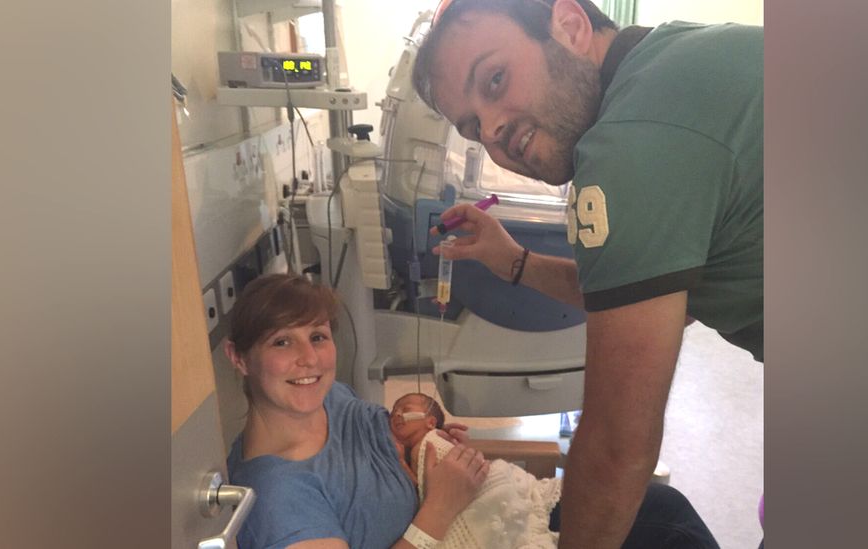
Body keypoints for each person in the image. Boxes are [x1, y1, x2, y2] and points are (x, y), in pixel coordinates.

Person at [412, 0, 763, 547]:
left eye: (496, 79)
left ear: (571, 25)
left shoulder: (631, 140)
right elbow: (665, 296)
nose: (495, 128)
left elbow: (619, 445)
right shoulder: (676, 56)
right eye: (473, 127)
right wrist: (512, 261)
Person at [223, 273, 490, 549]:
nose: (310, 359)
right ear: (239, 358)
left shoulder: (332, 397)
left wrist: (423, 444)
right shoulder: (275, 497)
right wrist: (442, 506)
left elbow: (382, 448)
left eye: (317, 337)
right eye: (282, 342)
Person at [389, 392, 562, 548]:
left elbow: (419, 481)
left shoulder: (426, 446)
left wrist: (401, 461)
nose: (396, 414)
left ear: (431, 422)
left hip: (488, 485)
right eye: (394, 411)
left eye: (405, 409)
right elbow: (422, 485)